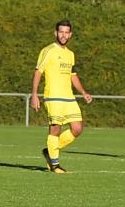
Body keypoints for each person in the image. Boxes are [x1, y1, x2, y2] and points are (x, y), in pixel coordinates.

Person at [31, 19, 93, 173]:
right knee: (55, 130)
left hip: (69, 97)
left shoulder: (70, 54)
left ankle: (50, 151)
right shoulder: (48, 50)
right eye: (61, 32)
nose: (64, 35)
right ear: (55, 33)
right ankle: (55, 164)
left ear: (70, 34)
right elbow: (38, 71)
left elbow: (73, 75)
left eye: (66, 32)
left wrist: (83, 92)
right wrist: (34, 95)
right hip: (53, 96)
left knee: (77, 128)